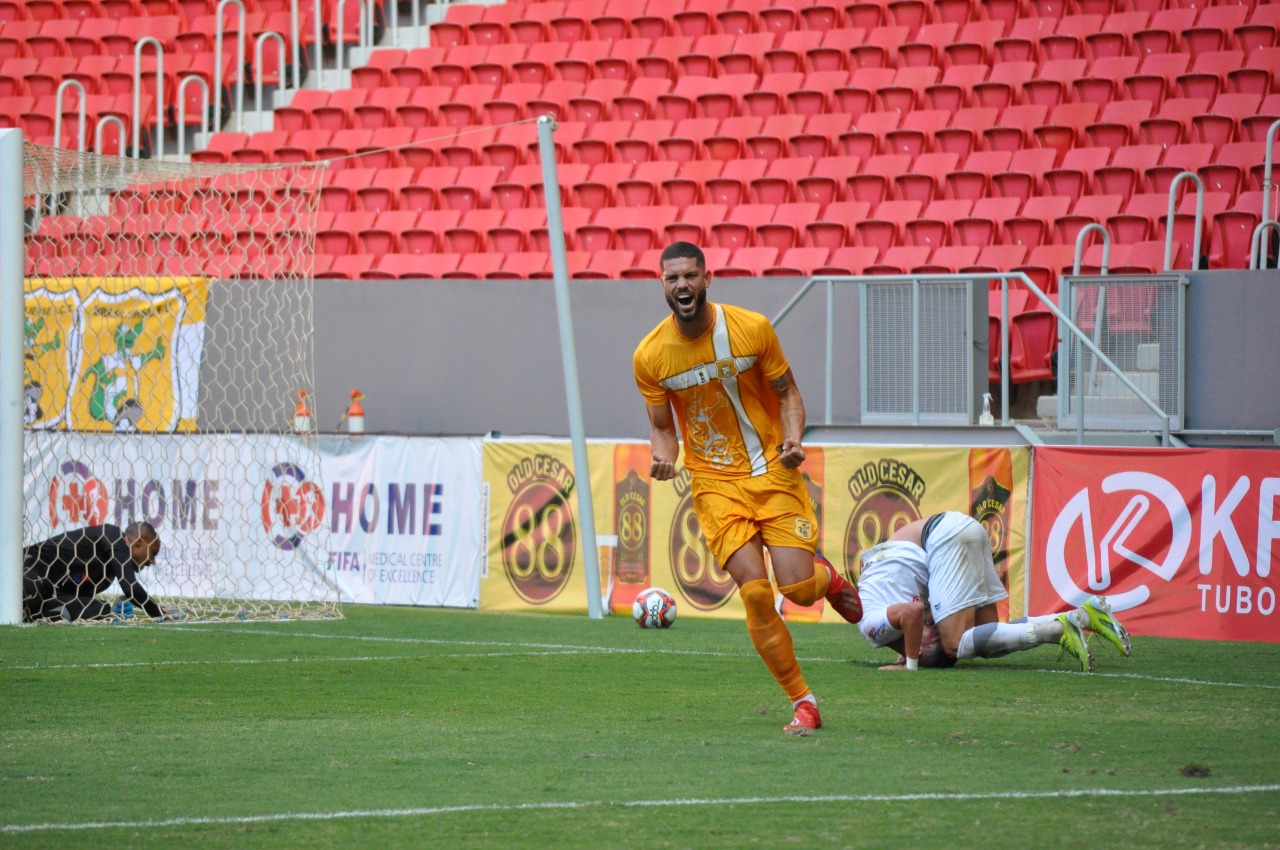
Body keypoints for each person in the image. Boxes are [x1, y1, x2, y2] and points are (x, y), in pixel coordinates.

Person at [633, 241, 863, 736]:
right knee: (757, 594)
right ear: (662, 284)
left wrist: (795, 439)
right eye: (672, 278)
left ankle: (828, 581)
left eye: (690, 276)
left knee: (798, 590)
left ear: (707, 277)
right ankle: (804, 702)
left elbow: (787, 393)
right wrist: (664, 458)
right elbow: (662, 426)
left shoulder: (750, 328)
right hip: (716, 485)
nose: (682, 286)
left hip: (772, 470)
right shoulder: (650, 355)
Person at [857, 511, 1133, 672]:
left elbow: (913, 611)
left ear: (916, 647)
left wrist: (911, 666)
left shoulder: (872, 627)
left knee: (955, 643)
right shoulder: (887, 613)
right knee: (986, 637)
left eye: (931, 640)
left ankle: (1058, 630)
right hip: (960, 528)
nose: (930, 623)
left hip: (944, 535)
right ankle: (1083, 617)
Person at [22, 521, 168, 623]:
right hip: (28, 566)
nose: (152, 562)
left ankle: (47, 612)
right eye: (153, 553)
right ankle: (44, 612)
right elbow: (131, 588)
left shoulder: (106, 574)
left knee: (104, 609)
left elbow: (76, 598)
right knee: (29, 596)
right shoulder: (113, 535)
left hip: (49, 592)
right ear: (138, 543)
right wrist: (160, 613)